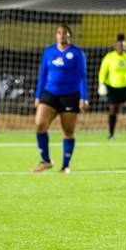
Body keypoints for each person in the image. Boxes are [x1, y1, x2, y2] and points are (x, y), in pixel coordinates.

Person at [33, 24, 88, 173]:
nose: (62, 35)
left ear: (69, 36)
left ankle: (65, 166)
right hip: (49, 93)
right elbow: (42, 74)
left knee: (68, 131)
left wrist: (84, 97)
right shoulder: (49, 51)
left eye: (65, 33)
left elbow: (82, 76)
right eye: (59, 33)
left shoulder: (77, 53)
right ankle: (45, 160)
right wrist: (38, 96)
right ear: (56, 35)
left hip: (70, 95)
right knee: (40, 124)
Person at [98, 33, 126, 140]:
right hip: (113, 88)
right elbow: (103, 72)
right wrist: (101, 84)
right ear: (115, 46)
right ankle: (111, 134)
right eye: (119, 46)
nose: (121, 48)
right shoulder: (109, 57)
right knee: (113, 110)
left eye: (123, 46)